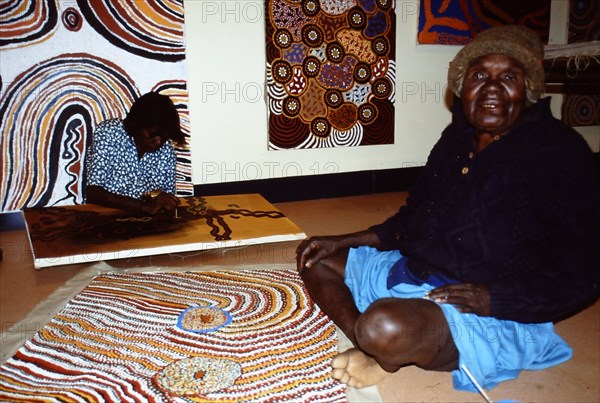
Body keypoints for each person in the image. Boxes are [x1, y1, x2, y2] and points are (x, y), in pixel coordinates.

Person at [296, 25, 600, 393]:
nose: (491, 87)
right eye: (478, 76)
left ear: (529, 91)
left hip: (481, 305)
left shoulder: (561, 154)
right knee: (313, 253)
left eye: (508, 77)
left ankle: (379, 345)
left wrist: (494, 297)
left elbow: (586, 270)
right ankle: (370, 345)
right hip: (416, 269)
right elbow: (414, 217)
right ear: (462, 88)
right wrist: (344, 239)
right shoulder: (456, 138)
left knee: (385, 327)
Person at [85, 91, 184, 215]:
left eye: (163, 137)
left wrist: (158, 199)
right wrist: (143, 207)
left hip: (143, 221)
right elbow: (94, 193)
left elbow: (164, 196)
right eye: (152, 134)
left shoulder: (166, 151)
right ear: (137, 123)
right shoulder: (109, 133)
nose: (158, 141)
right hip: (103, 215)